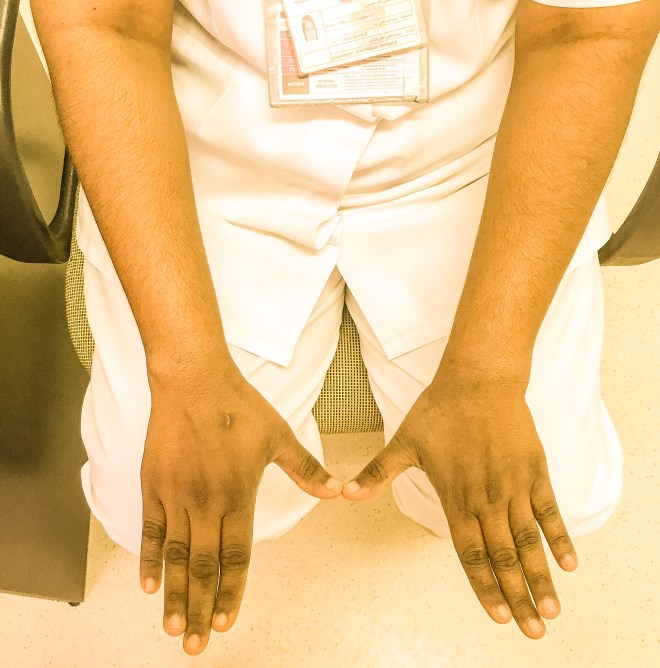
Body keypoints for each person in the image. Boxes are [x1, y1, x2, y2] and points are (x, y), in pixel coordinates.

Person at [30, 0, 658, 658]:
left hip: (470, 134)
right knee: (148, 506)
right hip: (217, 131)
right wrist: (183, 365)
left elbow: (586, 29)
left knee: (554, 490)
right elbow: (105, 22)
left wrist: (489, 371)